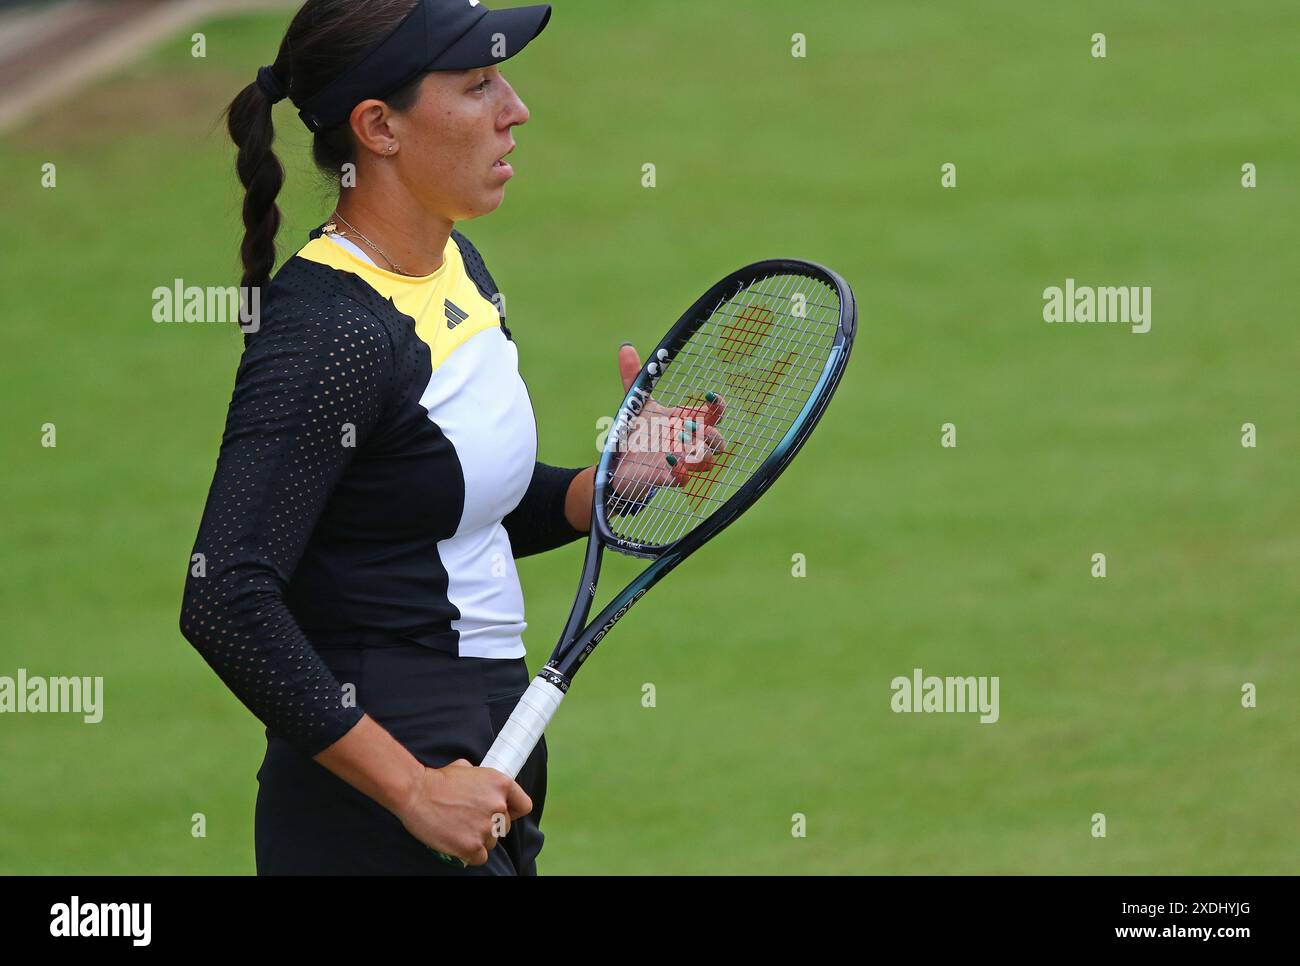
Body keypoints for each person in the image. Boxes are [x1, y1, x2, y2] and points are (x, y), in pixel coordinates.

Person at [179, 0, 722, 874]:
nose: (516, 109)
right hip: (374, 797)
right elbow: (223, 597)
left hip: (487, 752)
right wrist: (411, 789)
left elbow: (437, 510)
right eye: (477, 86)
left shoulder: (458, 270)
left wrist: (612, 482)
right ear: (378, 128)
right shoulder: (330, 332)